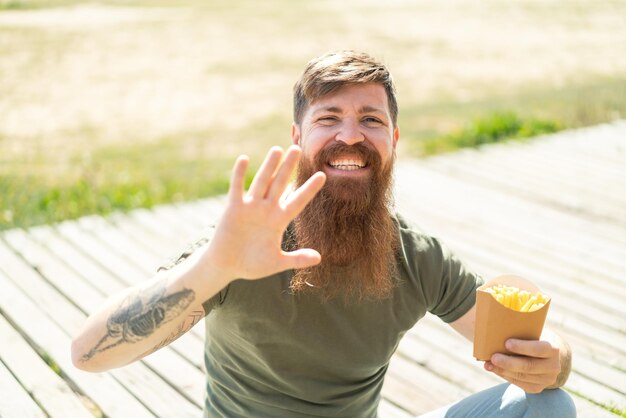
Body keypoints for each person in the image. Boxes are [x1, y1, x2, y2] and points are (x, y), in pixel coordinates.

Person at [71, 50, 576, 418]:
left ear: (394, 141)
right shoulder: (241, 246)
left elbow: (530, 341)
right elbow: (90, 355)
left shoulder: (417, 256)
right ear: (298, 138)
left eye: (370, 120)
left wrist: (554, 359)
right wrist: (215, 266)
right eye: (328, 118)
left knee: (551, 404)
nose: (350, 135)